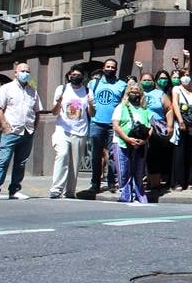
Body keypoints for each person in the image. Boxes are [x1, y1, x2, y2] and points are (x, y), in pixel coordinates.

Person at [0, 62, 44, 200]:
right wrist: (4, 125)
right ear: (16, 73)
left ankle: (14, 190)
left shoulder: (32, 91)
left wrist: (34, 127)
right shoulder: (7, 88)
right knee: (3, 160)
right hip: (12, 131)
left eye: (27, 71)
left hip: (27, 131)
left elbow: (37, 111)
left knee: (21, 162)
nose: (25, 73)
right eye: (22, 71)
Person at [49, 65, 94, 199]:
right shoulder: (61, 89)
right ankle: (56, 189)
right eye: (73, 74)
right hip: (63, 129)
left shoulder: (87, 91)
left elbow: (92, 113)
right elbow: (54, 112)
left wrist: (91, 104)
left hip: (80, 131)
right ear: (69, 76)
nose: (76, 77)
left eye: (79, 75)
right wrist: (58, 103)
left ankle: (69, 192)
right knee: (62, 155)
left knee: (74, 163)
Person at [88, 58, 127, 194]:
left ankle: (111, 183)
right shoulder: (94, 83)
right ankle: (95, 183)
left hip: (113, 125)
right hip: (96, 123)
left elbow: (124, 103)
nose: (110, 69)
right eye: (108, 67)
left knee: (112, 155)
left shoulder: (122, 85)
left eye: (113, 67)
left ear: (116, 70)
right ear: (103, 68)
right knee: (95, 155)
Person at [112, 80, 153, 203]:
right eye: (132, 92)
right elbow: (116, 125)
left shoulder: (145, 109)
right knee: (124, 170)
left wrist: (144, 140)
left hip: (140, 144)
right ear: (127, 93)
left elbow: (151, 127)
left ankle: (139, 194)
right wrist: (127, 139)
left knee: (138, 171)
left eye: (137, 93)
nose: (134, 95)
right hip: (122, 142)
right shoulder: (121, 107)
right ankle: (126, 195)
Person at [171, 63, 192, 191]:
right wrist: (181, 121)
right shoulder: (176, 89)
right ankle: (178, 182)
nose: (185, 77)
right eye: (183, 75)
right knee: (180, 153)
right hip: (181, 125)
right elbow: (175, 105)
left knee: (190, 153)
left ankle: (190, 181)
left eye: (188, 75)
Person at [143, 70, 173, 190]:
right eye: (144, 80)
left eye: (149, 80)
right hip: (140, 128)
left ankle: (155, 183)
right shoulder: (137, 93)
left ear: (153, 81)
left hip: (156, 128)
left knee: (154, 155)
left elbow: (169, 108)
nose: (147, 82)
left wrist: (170, 125)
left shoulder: (159, 93)